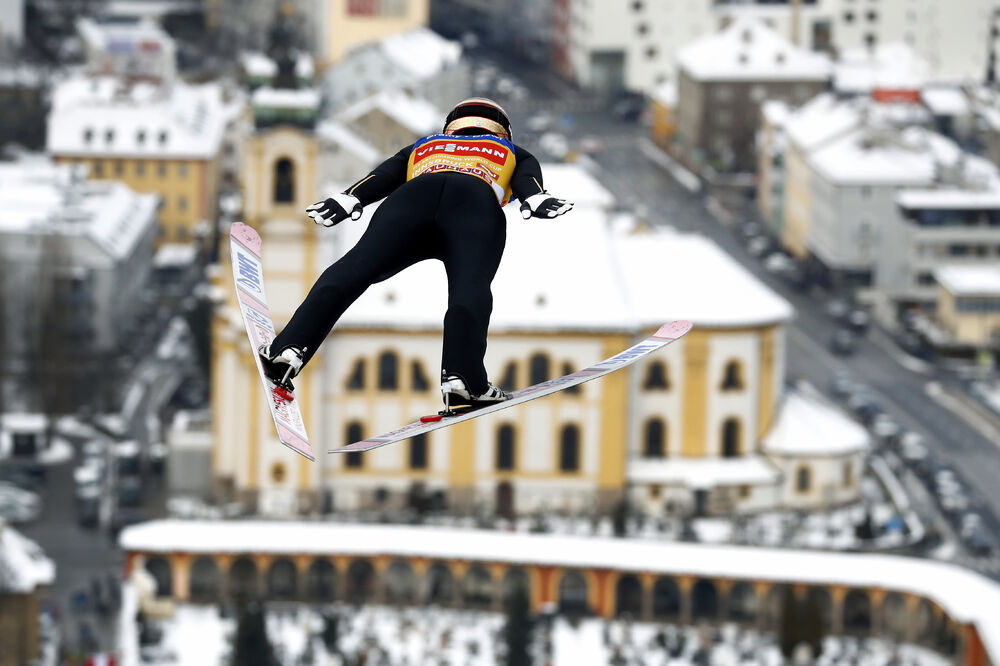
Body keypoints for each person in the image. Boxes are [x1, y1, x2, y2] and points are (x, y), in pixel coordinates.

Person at [259, 98, 574, 408]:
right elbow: (527, 180)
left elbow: (384, 175)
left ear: (450, 127)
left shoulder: (425, 145)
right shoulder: (511, 150)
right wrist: (535, 198)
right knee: (470, 289)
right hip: (473, 204)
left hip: (411, 201)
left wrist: (351, 197)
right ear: (503, 131)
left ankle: (288, 349)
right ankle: (463, 379)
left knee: (355, 268)